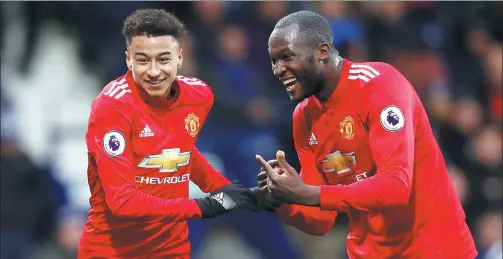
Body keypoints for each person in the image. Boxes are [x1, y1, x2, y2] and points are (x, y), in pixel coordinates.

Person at [254, 11, 478, 258]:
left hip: (434, 250)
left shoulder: (379, 84)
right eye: (274, 61)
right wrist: (283, 199)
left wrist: (309, 193)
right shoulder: (304, 118)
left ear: (322, 52)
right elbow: (320, 220)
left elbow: (395, 186)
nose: (278, 70)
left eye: (286, 57)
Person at [78, 9, 257, 258]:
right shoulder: (112, 107)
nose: (153, 72)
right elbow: (123, 202)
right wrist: (202, 206)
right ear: (128, 59)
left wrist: (222, 188)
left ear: (179, 58)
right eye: (142, 60)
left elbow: (180, 150)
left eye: (163, 59)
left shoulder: (199, 96)